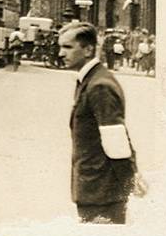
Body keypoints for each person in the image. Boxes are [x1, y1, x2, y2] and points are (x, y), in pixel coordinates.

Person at [58, 21, 145, 224]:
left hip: (101, 193)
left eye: (67, 47)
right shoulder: (89, 80)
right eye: (60, 47)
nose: (61, 53)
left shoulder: (99, 86)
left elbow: (117, 143)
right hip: (94, 189)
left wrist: (129, 183)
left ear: (88, 49)